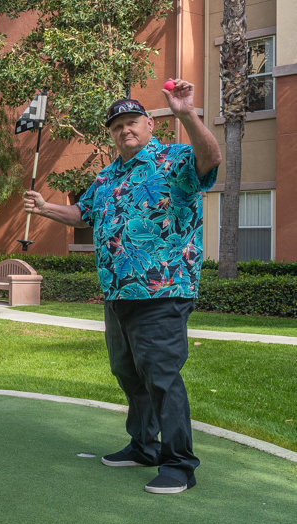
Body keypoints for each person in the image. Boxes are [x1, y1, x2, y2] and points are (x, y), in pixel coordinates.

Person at [23, 80, 221, 494]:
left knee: (161, 377)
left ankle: (179, 465)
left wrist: (186, 113)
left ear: (150, 125)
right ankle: (144, 446)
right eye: (117, 126)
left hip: (162, 290)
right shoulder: (107, 176)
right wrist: (45, 208)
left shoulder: (175, 158)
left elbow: (211, 158)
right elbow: (82, 213)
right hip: (117, 293)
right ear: (111, 134)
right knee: (128, 373)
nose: (125, 129)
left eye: (132, 122)